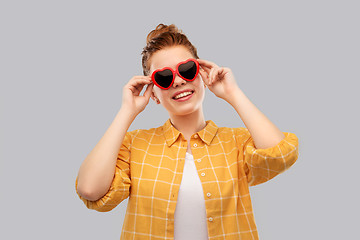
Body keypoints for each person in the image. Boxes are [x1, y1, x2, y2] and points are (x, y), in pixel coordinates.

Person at [75, 23, 299, 240]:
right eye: (164, 77)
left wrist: (233, 93)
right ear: (153, 93)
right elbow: (90, 189)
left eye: (187, 69)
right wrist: (127, 111)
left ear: (201, 73)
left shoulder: (237, 142)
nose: (179, 81)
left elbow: (279, 156)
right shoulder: (136, 145)